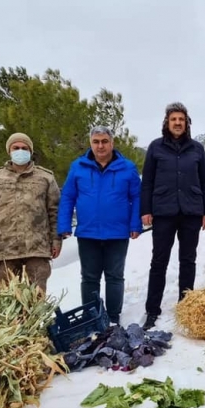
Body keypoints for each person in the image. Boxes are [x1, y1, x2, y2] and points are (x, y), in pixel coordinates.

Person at [58, 126, 142, 325]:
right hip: (88, 232)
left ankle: (113, 317)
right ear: (90, 143)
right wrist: (64, 224)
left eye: (104, 141)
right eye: (96, 142)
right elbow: (68, 196)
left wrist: (135, 223)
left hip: (117, 232)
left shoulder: (127, 167)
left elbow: (137, 197)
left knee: (114, 276)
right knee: (89, 277)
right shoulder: (78, 167)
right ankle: (91, 316)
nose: (100, 146)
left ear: (112, 143)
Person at [141, 103, 205, 329]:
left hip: (191, 211)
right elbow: (148, 182)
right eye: (174, 119)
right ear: (167, 122)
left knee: (188, 260)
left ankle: (185, 303)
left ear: (187, 123)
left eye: (182, 119)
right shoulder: (155, 148)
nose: (178, 123)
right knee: (159, 261)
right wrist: (146, 210)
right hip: (163, 211)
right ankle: (152, 309)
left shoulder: (197, 149)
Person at [0, 132, 62, 293]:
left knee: (36, 297)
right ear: (9, 150)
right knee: (10, 299)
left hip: (37, 247)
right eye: (16, 147)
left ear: (30, 151)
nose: (20, 151)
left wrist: (56, 240)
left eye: (24, 148)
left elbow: (55, 211)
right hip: (4, 249)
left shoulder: (45, 177)